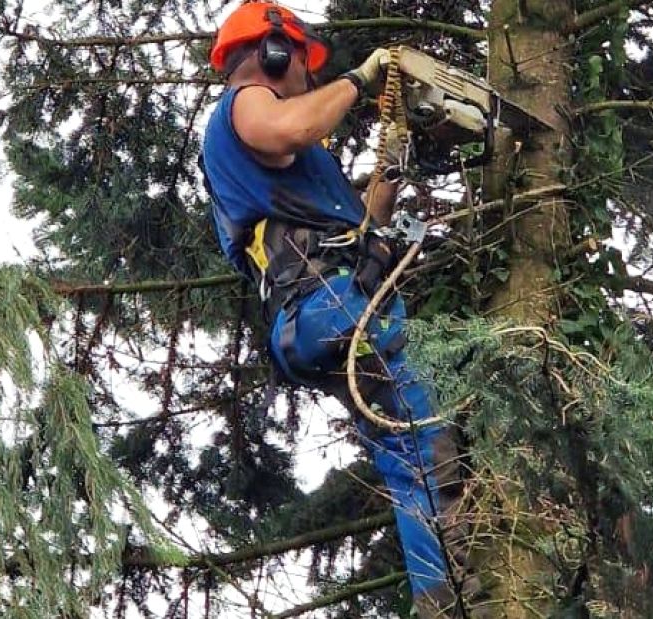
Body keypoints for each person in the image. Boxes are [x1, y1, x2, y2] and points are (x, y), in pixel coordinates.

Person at [198, 2, 476, 616]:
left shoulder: (304, 165)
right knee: (431, 443)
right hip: (322, 302)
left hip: (327, 309)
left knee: (409, 463)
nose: (310, 76)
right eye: (303, 62)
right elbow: (287, 128)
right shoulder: (246, 105)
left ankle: (441, 600)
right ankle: (468, 586)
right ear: (275, 52)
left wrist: (392, 170)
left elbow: (359, 228)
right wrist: (362, 77)